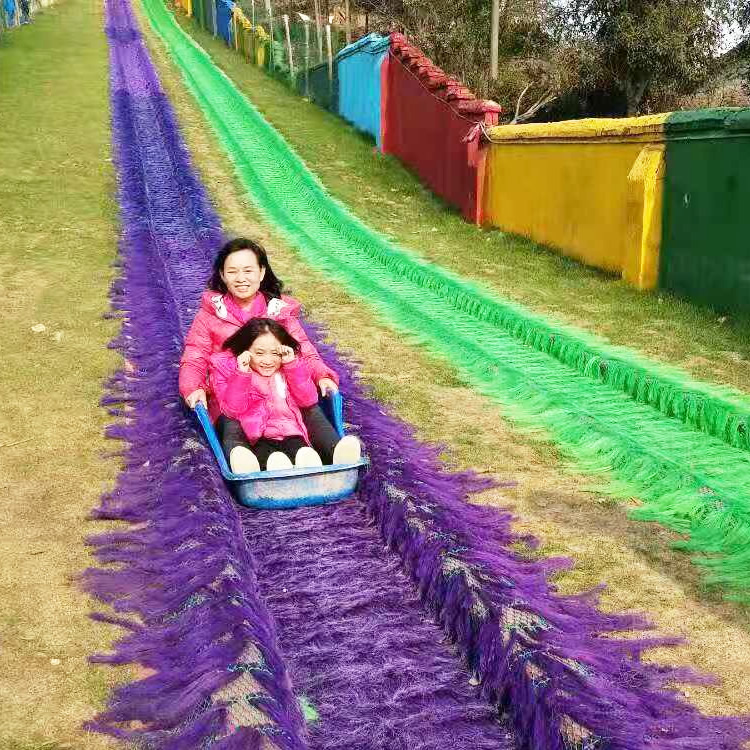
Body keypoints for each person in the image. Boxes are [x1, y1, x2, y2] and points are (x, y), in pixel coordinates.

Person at [180, 237, 356, 466]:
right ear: (222, 275)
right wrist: (193, 388)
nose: (241, 278)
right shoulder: (211, 316)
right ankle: (248, 460)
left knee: (308, 406)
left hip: (277, 391)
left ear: (262, 273)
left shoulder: (278, 312)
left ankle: (334, 452)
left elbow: (303, 349)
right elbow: (195, 355)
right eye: (232, 272)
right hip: (234, 391)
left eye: (248, 271)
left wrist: (322, 375)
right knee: (233, 419)